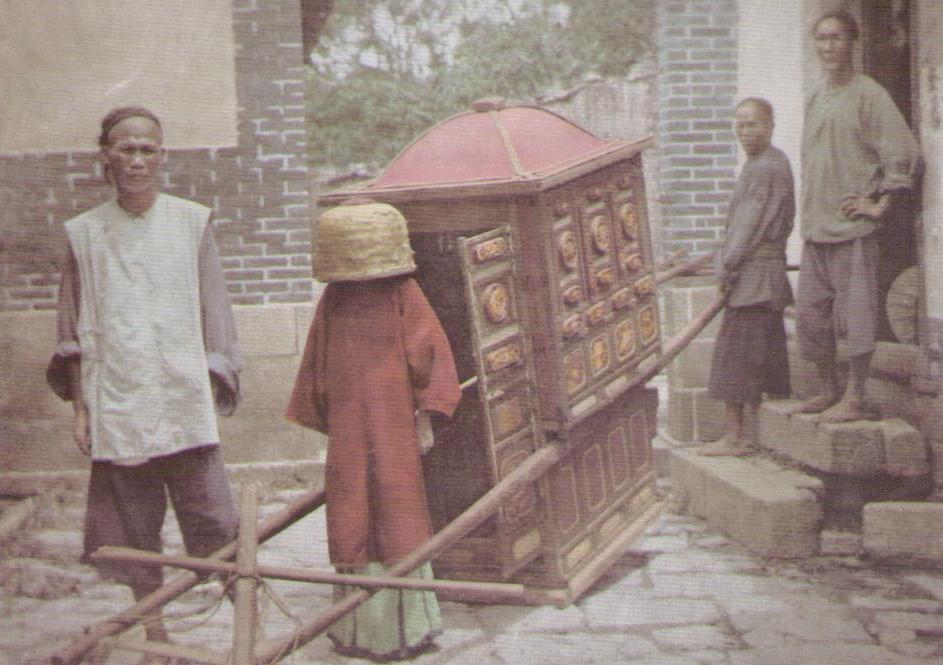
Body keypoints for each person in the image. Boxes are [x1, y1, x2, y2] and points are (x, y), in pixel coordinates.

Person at [46, 107, 243, 659]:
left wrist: (212, 380)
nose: (137, 160)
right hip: (118, 399)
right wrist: (81, 412)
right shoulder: (84, 234)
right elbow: (72, 329)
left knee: (215, 518)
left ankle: (245, 617)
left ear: (163, 156)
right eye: (125, 149)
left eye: (148, 149)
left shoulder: (191, 223)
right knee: (133, 526)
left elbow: (216, 315)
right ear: (105, 156)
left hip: (181, 396)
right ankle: (153, 628)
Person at [286, 201, 461, 661]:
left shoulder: (402, 291)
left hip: (390, 424)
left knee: (395, 508)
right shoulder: (336, 299)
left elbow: (430, 356)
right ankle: (360, 629)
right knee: (353, 509)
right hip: (357, 426)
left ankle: (398, 630)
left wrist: (426, 415)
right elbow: (318, 366)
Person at [790, 11, 920, 423]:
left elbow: (904, 154)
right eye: (822, 39)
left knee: (857, 320)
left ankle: (856, 396)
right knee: (811, 317)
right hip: (816, 229)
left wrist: (878, 205)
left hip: (853, 230)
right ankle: (828, 389)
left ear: (853, 43)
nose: (828, 47)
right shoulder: (817, 96)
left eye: (837, 39)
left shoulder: (870, 95)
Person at [699, 98, 794, 457]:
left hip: (754, 276)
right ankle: (761, 436)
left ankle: (736, 436)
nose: (745, 132)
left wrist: (726, 265)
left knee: (734, 355)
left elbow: (747, 225)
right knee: (765, 352)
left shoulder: (766, 167)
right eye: (739, 125)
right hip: (765, 274)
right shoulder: (766, 163)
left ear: (770, 125)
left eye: (753, 124)